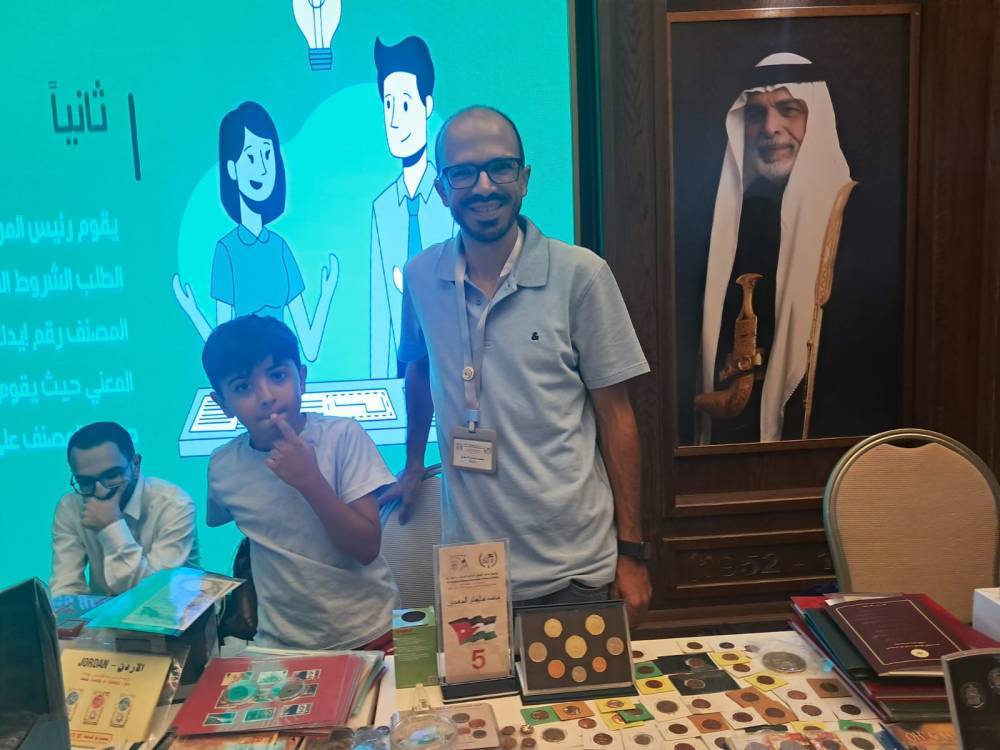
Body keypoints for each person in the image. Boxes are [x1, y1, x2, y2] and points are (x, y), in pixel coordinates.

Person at [385, 106, 652, 624]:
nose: (484, 186)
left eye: (500, 168)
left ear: (524, 179)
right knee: (477, 686)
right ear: (441, 189)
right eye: (463, 173)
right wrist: (414, 462)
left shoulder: (582, 276)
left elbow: (617, 417)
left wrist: (633, 552)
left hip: (575, 572)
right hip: (472, 577)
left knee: (580, 685)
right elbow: (417, 367)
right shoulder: (419, 277)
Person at [694, 52, 899, 443]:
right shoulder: (735, 225)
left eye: (788, 110)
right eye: (756, 114)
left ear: (817, 119)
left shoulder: (865, 215)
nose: (770, 128)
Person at [203, 315, 399, 650]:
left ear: (302, 378)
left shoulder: (342, 437)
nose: (266, 396)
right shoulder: (223, 466)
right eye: (243, 387)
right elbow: (221, 516)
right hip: (282, 645)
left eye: (278, 376)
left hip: (369, 632)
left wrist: (310, 480)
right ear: (222, 404)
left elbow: (366, 548)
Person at [172, 101, 338, 362]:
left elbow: (310, 347)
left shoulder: (280, 248)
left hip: (284, 379)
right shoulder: (226, 251)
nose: (261, 168)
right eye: (250, 157)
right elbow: (222, 349)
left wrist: (326, 294)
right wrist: (193, 311)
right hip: (246, 381)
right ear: (231, 169)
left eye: (267, 155)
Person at [369, 36, 455, 377]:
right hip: (401, 373)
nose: (394, 121)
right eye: (388, 106)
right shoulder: (382, 207)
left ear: (427, 106)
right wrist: (379, 384)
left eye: (404, 105)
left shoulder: (453, 198)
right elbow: (380, 311)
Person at [50, 422, 200, 596]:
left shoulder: (174, 505)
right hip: (103, 613)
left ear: (135, 465)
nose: (100, 490)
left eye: (112, 476)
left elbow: (156, 594)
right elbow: (65, 588)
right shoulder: (70, 507)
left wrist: (111, 527)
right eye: (85, 482)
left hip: (177, 610)